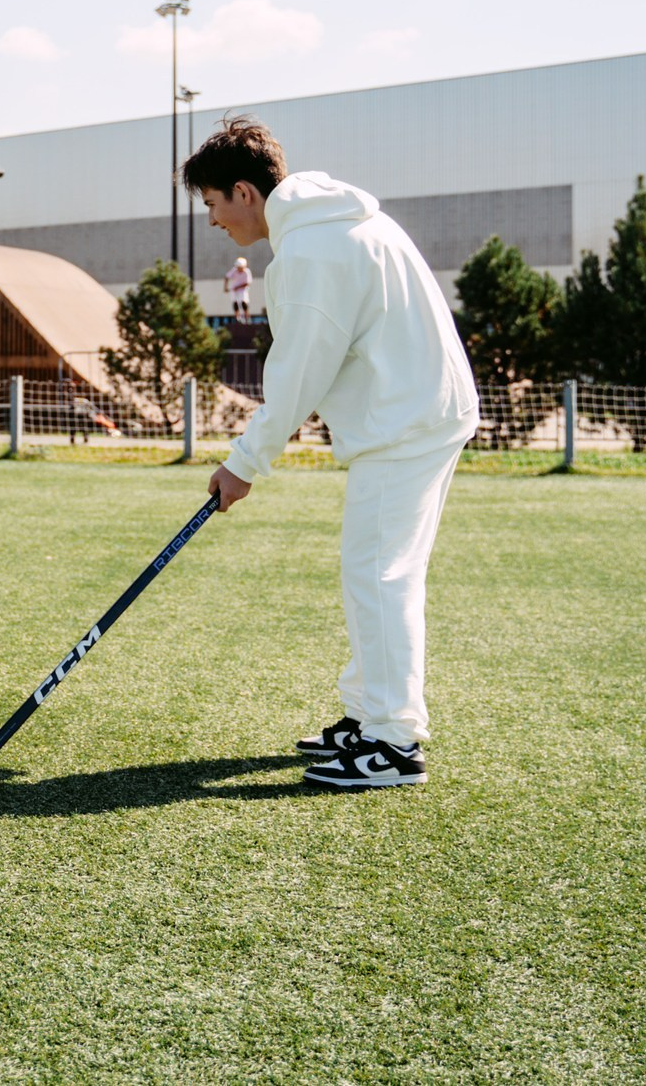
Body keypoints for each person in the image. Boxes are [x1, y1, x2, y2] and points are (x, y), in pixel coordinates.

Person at [186, 116, 478, 788]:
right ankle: (367, 715)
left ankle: (394, 743)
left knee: (381, 575)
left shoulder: (313, 251)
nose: (211, 221)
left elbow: (297, 375)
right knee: (372, 570)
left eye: (211, 203)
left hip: (407, 423)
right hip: (418, 414)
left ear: (243, 192)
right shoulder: (336, 223)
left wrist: (243, 465)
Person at [225, 254, 254, 323]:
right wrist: (225, 287)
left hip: (243, 290)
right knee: (235, 303)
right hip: (234, 290)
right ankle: (237, 318)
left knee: (244, 302)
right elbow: (226, 277)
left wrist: (238, 287)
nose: (239, 269)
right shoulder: (234, 270)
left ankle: (247, 317)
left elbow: (247, 283)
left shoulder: (247, 272)